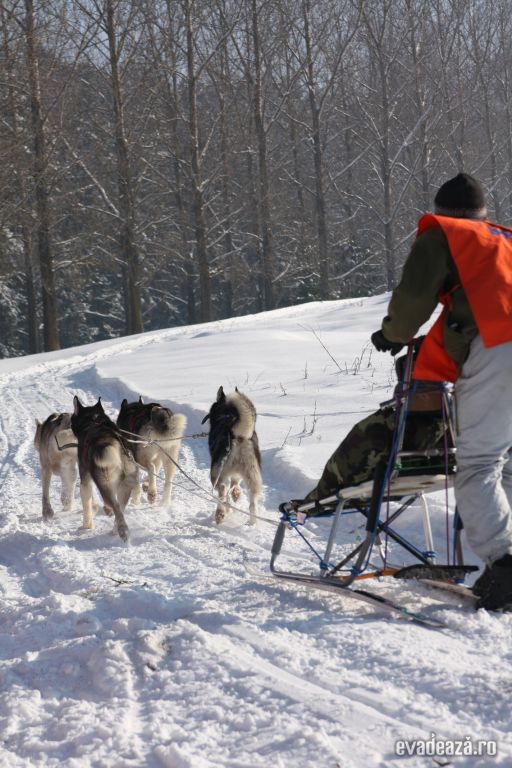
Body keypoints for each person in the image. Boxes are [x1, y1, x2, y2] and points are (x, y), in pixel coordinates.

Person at [371, 172, 512, 611]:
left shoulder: (445, 234)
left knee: (478, 464)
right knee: (507, 464)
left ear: (443, 210)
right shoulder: (503, 240)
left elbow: (415, 296)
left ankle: (505, 569)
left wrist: (394, 334)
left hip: (498, 348)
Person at [302, 352, 448, 507]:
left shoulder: (381, 425)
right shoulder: (455, 420)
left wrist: (311, 504)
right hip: (436, 478)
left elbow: (339, 471)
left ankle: (306, 507)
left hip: (375, 485)